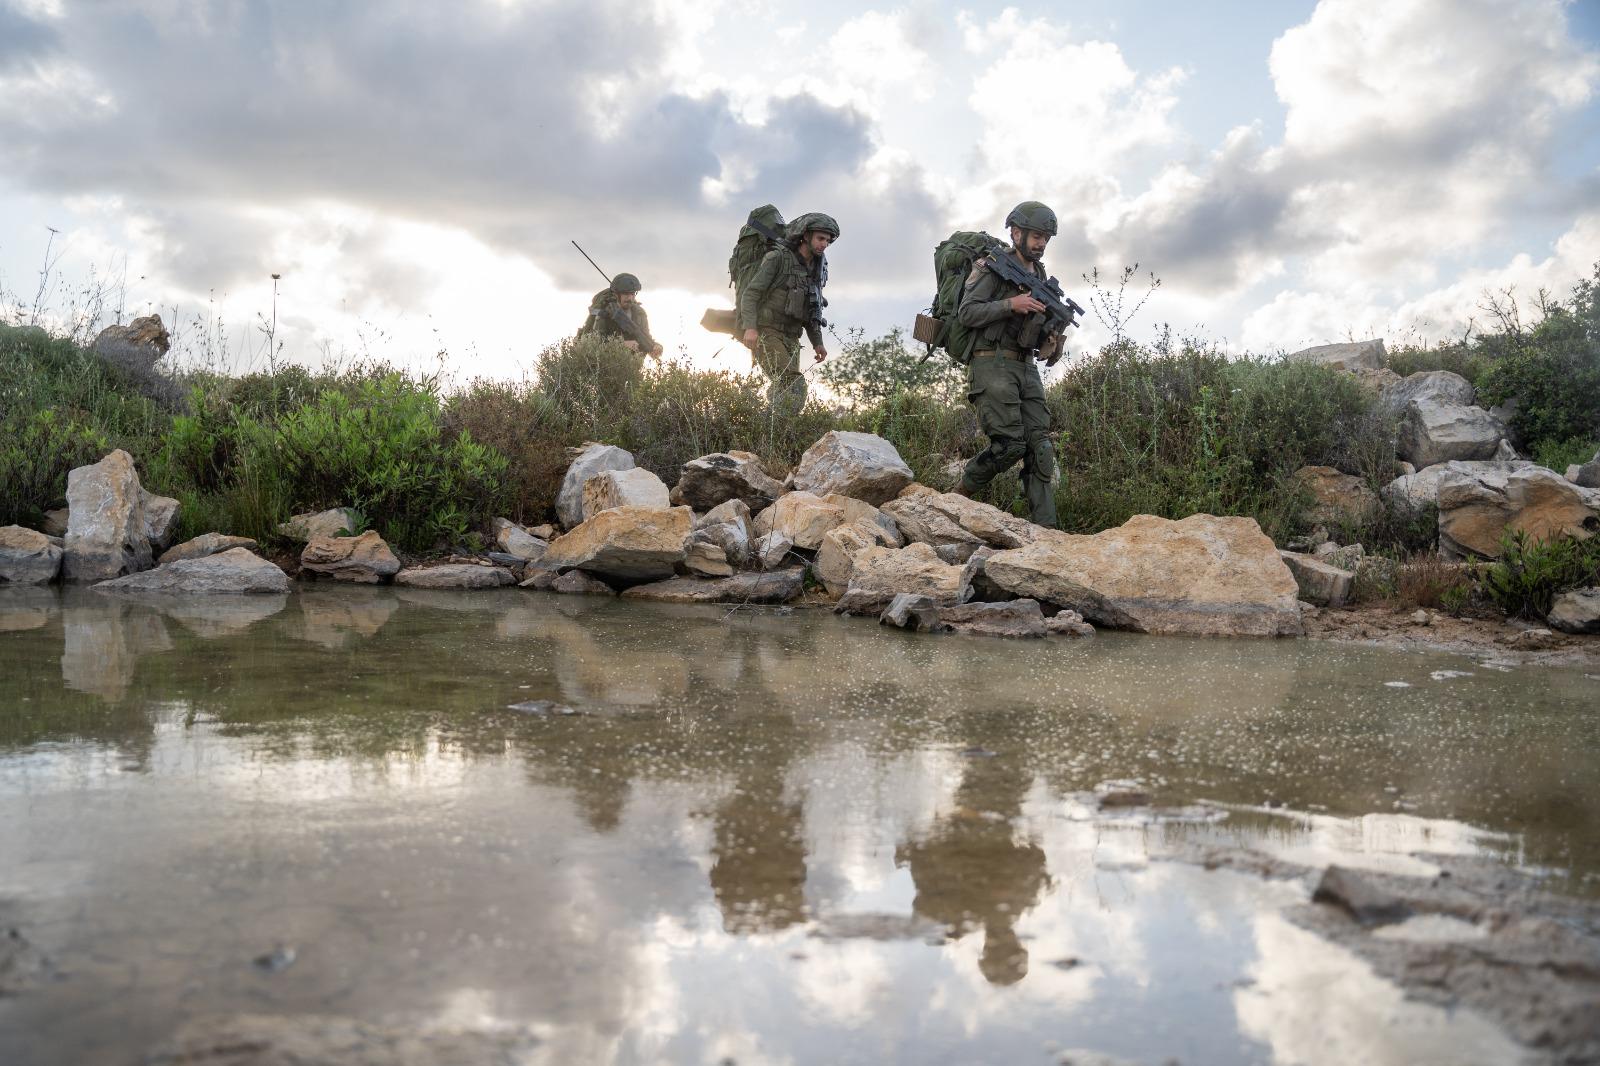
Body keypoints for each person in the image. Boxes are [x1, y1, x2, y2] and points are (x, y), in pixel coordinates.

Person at [954, 201, 1062, 528]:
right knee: (1010, 445)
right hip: (991, 362)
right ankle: (951, 499)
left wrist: (1051, 341)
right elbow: (967, 313)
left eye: (1046, 238)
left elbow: (1044, 340)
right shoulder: (991, 266)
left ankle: (1049, 533)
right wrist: (1010, 304)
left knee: (1040, 447)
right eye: (1037, 236)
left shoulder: (1040, 276)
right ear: (1016, 232)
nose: (1041, 243)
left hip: (1026, 365)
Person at [737, 212, 837, 414]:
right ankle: (767, 429)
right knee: (794, 384)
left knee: (784, 391)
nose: (824, 244)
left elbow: (812, 308)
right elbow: (751, 294)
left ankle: (766, 430)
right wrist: (750, 328)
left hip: (792, 338)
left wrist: (817, 342)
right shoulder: (778, 258)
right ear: (806, 236)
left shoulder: (816, 269)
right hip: (767, 332)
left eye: (827, 240)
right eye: (820, 238)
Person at [579, 273, 664, 358]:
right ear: (616, 294)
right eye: (626, 294)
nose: (630, 298)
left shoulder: (640, 314)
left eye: (632, 294)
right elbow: (595, 343)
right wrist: (622, 344)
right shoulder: (605, 312)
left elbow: (644, 337)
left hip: (631, 366)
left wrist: (655, 346)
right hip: (604, 366)